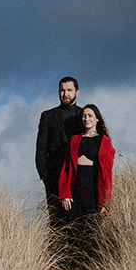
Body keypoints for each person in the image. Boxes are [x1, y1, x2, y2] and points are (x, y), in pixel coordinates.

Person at [36, 77, 82, 224]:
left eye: (69, 90)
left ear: (77, 92)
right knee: (57, 221)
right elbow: (41, 149)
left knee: (80, 220)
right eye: (62, 90)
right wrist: (45, 176)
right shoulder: (48, 116)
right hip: (54, 177)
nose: (65, 94)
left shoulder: (85, 115)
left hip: (80, 176)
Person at [58, 104, 114, 223]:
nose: (86, 119)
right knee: (73, 225)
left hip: (93, 185)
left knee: (92, 224)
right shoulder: (73, 140)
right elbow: (65, 168)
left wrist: (105, 202)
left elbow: (107, 174)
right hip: (75, 185)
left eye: (90, 116)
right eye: (84, 116)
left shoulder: (105, 142)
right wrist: (65, 194)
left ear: (97, 118)